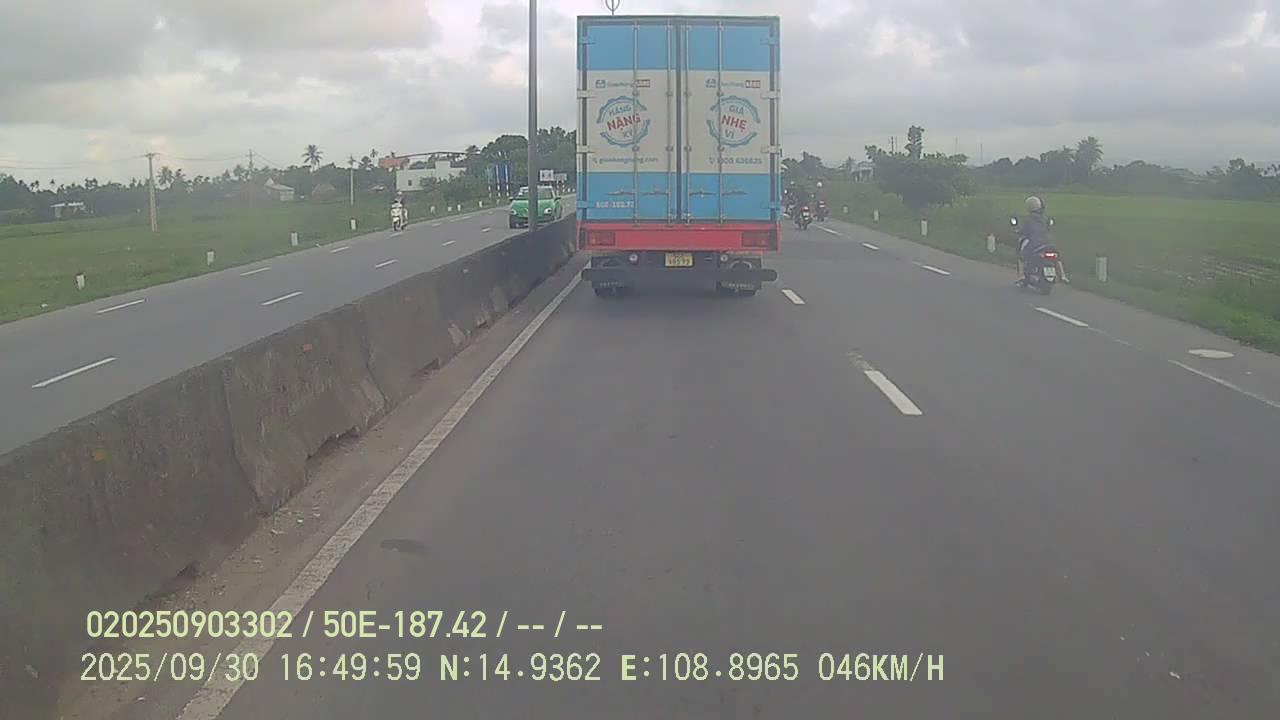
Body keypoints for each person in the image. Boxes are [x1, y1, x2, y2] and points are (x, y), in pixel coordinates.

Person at [1015, 196, 1069, 285]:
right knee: (1057, 257)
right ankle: (1063, 275)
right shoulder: (1044, 218)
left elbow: (1023, 231)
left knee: (1022, 256)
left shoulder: (1028, 219)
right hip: (1048, 243)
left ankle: (1022, 275)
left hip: (1034, 244)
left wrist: (1018, 231)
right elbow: (1048, 228)